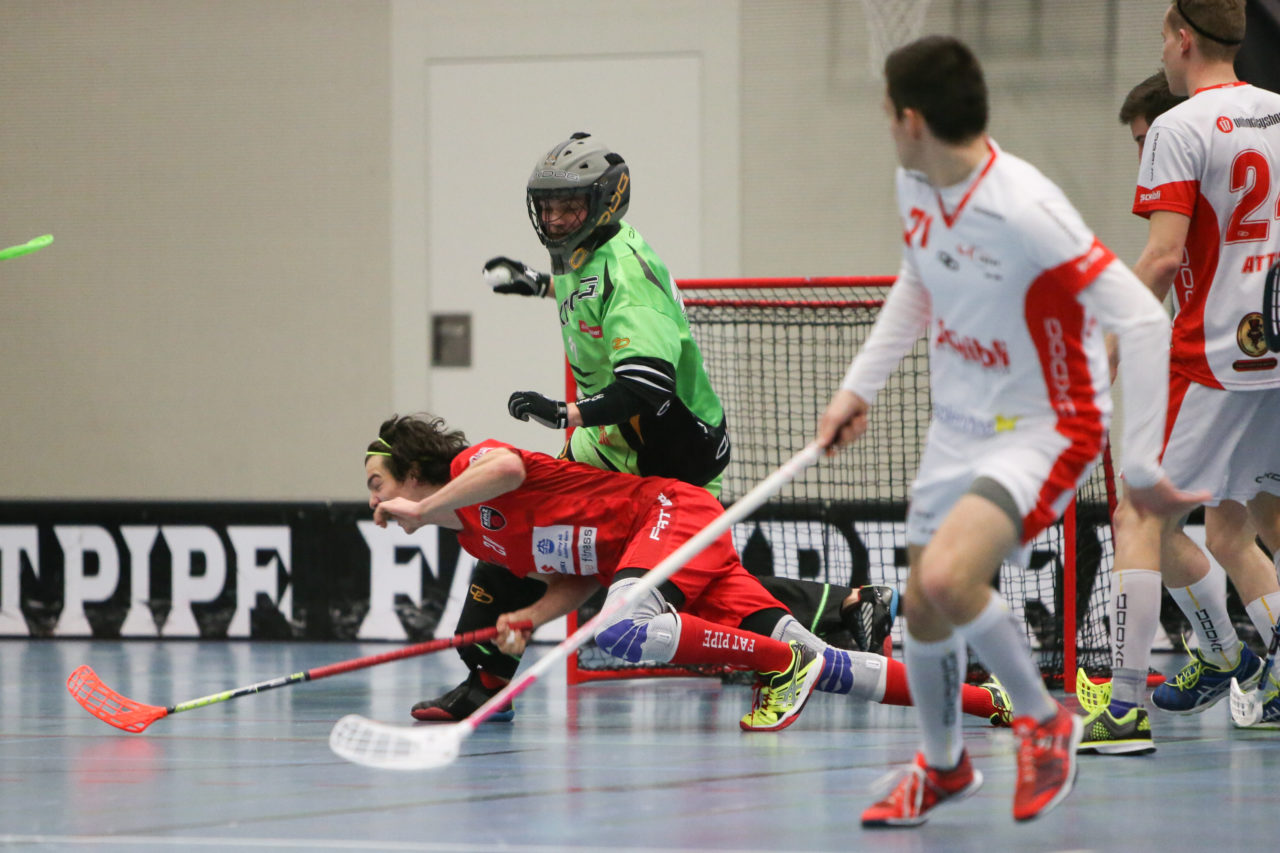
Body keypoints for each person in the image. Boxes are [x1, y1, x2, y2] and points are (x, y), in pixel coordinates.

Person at [817, 35, 1204, 826]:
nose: (886, 124)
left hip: (1045, 425)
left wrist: (1137, 463)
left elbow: (1140, 318)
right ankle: (945, 765)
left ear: (912, 118)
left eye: (888, 112)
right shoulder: (917, 184)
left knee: (946, 582)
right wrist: (859, 388)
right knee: (923, 611)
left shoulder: (1025, 208)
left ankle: (1042, 719)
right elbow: (918, 281)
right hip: (957, 427)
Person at [414, 131, 902, 723]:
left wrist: (565, 414)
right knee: (518, 524)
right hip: (615, 444)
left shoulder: (627, 277)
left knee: (690, 583)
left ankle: (837, 614)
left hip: (668, 451)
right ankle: (487, 682)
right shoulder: (579, 250)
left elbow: (646, 386)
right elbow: (584, 300)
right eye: (547, 207)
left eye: (569, 206)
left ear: (604, 203)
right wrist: (538, 285)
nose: (556, 218)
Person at [364, 413, 1015, 730]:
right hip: (669, 547)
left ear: (414, 471)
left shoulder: (470, 469)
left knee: (619, 630)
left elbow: (507, 468)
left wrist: (423, 506)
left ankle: (776, 666)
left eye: (378, 484)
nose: (374, 501)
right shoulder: (487, 541)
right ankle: (988, 700)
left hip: (673, 512)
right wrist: (529, 616)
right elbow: (583, 574)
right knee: (821, 659)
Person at [1079, 0, 1280, 751]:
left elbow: (1163, 257)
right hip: (1277, 352)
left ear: (1183, 39)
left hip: (1216, 352)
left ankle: (1125, 707)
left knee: (1140, 516)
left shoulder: (1179, 126)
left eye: (1162, 35)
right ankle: (1257, 665)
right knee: (1243, 521)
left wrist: (1112, 341)